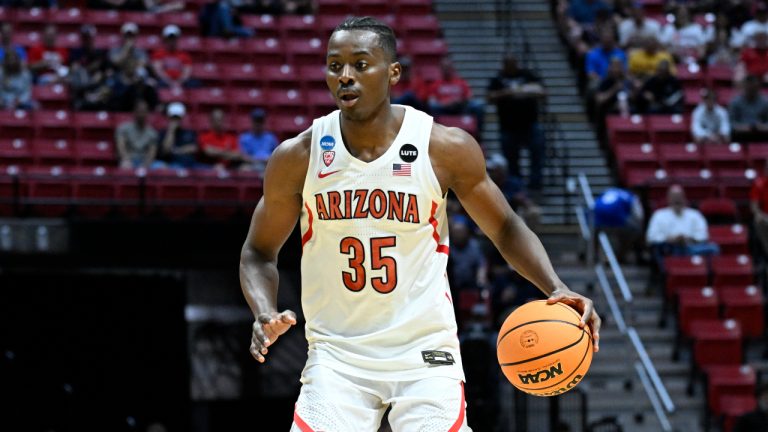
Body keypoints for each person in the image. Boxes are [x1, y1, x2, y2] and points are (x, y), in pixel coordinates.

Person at [238, 16, 600, 431]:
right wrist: (263, 311)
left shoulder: (443, 148)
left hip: (425, 353)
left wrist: (555, 286)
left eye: (360, 64)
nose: (345, 76)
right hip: (337, 355)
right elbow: (258, 250)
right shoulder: (299, 155)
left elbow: (504, 227)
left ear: (393, 72)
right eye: (334, 65)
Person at [487, 54, 546, 193]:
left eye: (514, 62)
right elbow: (490, 97)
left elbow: (542, 92)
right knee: (511, 160)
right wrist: (509, 92)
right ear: (504, 64)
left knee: (538, 153)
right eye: (508, 63)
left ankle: (535, 184)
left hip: (530, 124)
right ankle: (516, 187)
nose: (512, 65)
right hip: (508, 127)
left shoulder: (527, 75)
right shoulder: (498, 79)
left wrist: (520, 91)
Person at [646, 184, 718, 261]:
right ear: (668, 198)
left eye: (679, 197)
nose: (677, 199)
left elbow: (703, 235)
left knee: (713, 248)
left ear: (684, 198)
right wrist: (669, 239)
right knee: (670, 249)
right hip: (669, 248)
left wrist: (689, 239)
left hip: (692, 247)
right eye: (674, 197)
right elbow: (651, 237)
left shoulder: (695, 214)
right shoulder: (659, 215)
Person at [424, 58, 485, 140]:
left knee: (478, 104)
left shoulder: (460, 82)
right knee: (433, 106)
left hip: (460, 108)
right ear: (441, 69)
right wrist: (445, 103)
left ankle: (478, 133)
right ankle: (435, 132)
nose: (446, 70)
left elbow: (469, 97)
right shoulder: (436, 84)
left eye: (448, 67)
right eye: (444, 68)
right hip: (444, 109)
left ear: (452, 68)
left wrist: (459, 102)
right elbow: (431, 101)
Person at [593, 187, 644, 263]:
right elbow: (639, 215)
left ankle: (593, 255)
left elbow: (596, 203)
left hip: (598, 215)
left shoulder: (609, 190)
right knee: (636, 230)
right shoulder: (631, 196)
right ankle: (620, 256)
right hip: (616, 217)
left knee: (593, 230)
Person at [115, 100, 160, 169]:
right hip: (129, 160)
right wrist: (126, 159)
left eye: (144, 112)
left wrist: (146, 165)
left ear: (147, 113)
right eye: (139, 111)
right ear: (134, 112)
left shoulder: (152, 133)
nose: (141, 114)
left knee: (162, 167)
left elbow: (152, 153)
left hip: (145, 161)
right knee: (125, 166)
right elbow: (121, 148)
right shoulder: (123, 129)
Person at [158, 102, 200, 169]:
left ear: (182, 118)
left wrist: (178, 150)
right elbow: (166, 150)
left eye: (177, 118)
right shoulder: (164, 133)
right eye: (173, 118)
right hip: (172, 164)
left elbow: (194, 148)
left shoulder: (189, 132)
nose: (175, 120)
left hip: (190, 164)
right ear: (168, 118)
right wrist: (171, 131)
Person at [151, 25, 194, 89]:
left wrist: (178, 82)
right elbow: (158, 71)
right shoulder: (158, 54)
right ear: (165, 39)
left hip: (181, 81)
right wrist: (170, 82)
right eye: (170, 38)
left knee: (193, 84)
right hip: (164, 81)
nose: (172, 41)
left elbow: (187, 72)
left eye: (174, 38)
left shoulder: (184, 55)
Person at [729, 74, 768, 142]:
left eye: (753, 88)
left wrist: (760, 127)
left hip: (761, 134)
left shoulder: (765, 102)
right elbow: (732, 123)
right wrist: (744, 127)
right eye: (749, 88)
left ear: (757, 88)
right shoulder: (735, 102)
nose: (751, 91)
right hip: (741, 134)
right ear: (745, 87)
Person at [238, 108, 279, 173]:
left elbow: (277, 156)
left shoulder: (271, 138)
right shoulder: (245, 138)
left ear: (264, 122)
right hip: (252, 165)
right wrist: (256, 160)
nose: (258, 124)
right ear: (252, 122)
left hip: (267, 166)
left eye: (260, 121)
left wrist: (268, 160)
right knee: (244, 169)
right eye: (256, 121)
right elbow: (243, 156)